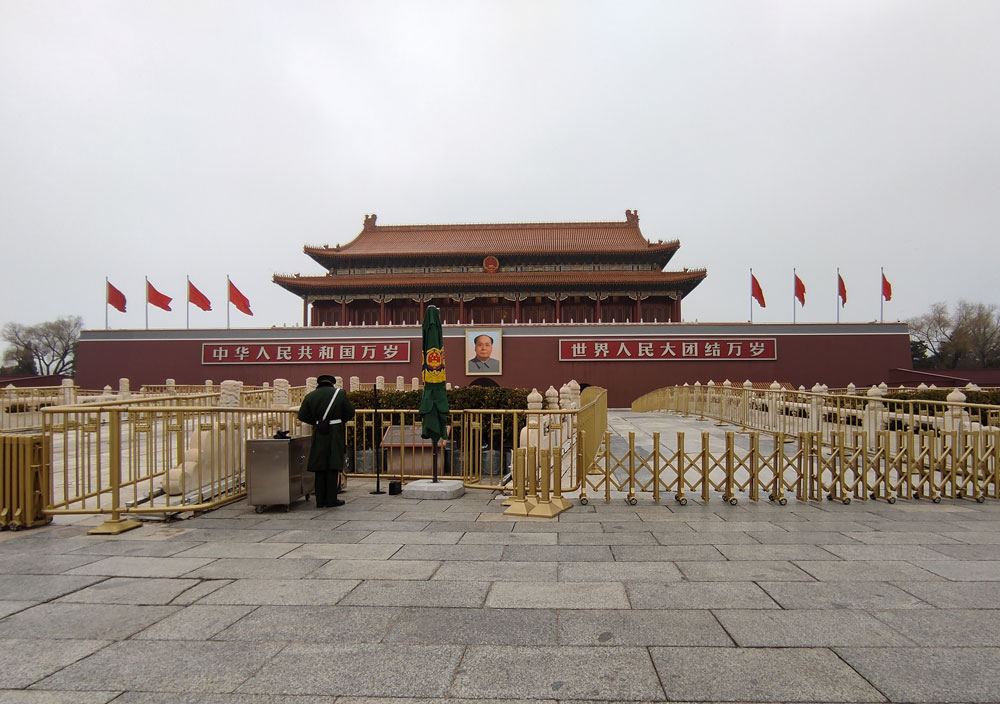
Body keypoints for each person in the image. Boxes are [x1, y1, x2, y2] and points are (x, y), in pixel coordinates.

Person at [297, 374, 355, 507]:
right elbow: (350, 412)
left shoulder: (310, 396)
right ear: (332, 383)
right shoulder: (339, 394)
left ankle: (320, 500)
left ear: (319, 384)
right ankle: (331, 499)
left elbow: (302, 415)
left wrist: (318, 422)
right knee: (333, 466)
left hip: (319, 432)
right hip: (335, 433)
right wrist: (339, 422)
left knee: (320, 467)